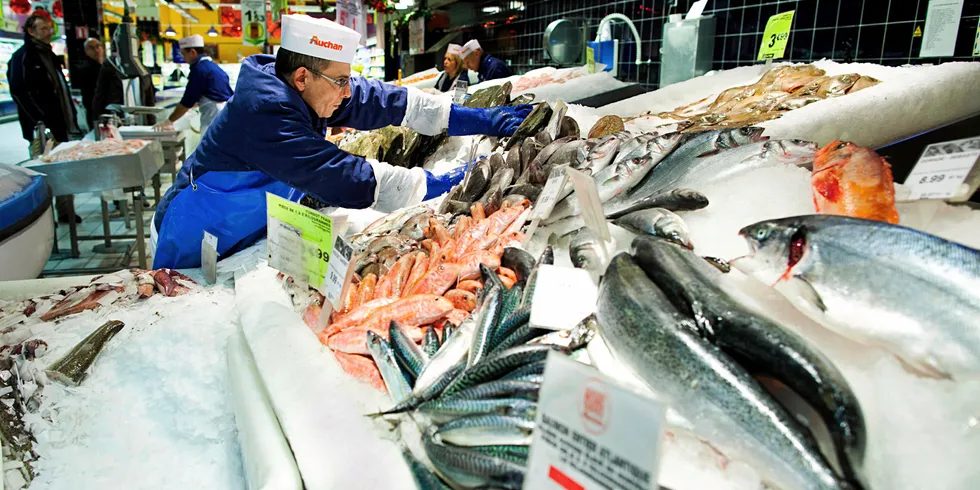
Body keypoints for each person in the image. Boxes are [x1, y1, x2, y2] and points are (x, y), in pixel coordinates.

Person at [151, 15, 531, 269]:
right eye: (340, 81)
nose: (347, 92)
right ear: (302, 77)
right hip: (200, 235)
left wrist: (477, 118)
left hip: (253, 225)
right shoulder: (264, 112)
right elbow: (343, 176)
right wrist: (442, 183)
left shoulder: (304, 88)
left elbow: (384, 100)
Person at [9, 13, 81, 223]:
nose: (48, 32)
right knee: (44, 172)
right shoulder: (22, 58)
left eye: (50, 28)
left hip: (60, 125)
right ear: (30, 31)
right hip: (41, 129)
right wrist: (39, 122)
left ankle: (66, 211)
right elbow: (19, 92)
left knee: (65, 170)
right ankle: (44, 217)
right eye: (43, 29)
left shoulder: (50, 56)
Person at [153, 35, 233, 133]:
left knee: (209, 145)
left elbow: (187, 101)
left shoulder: (199, 70)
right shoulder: (212, 67)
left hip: (213, 117)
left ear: (192, 52)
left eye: (183, 54)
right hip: (224, 116)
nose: (183, 58)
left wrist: (169, 121)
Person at [74, 38, 104, 129]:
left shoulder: (101, 66)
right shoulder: (87, 68)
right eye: (92, 48)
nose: (96, 50)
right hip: (95, 111)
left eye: (98, 46)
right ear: (86, 51)